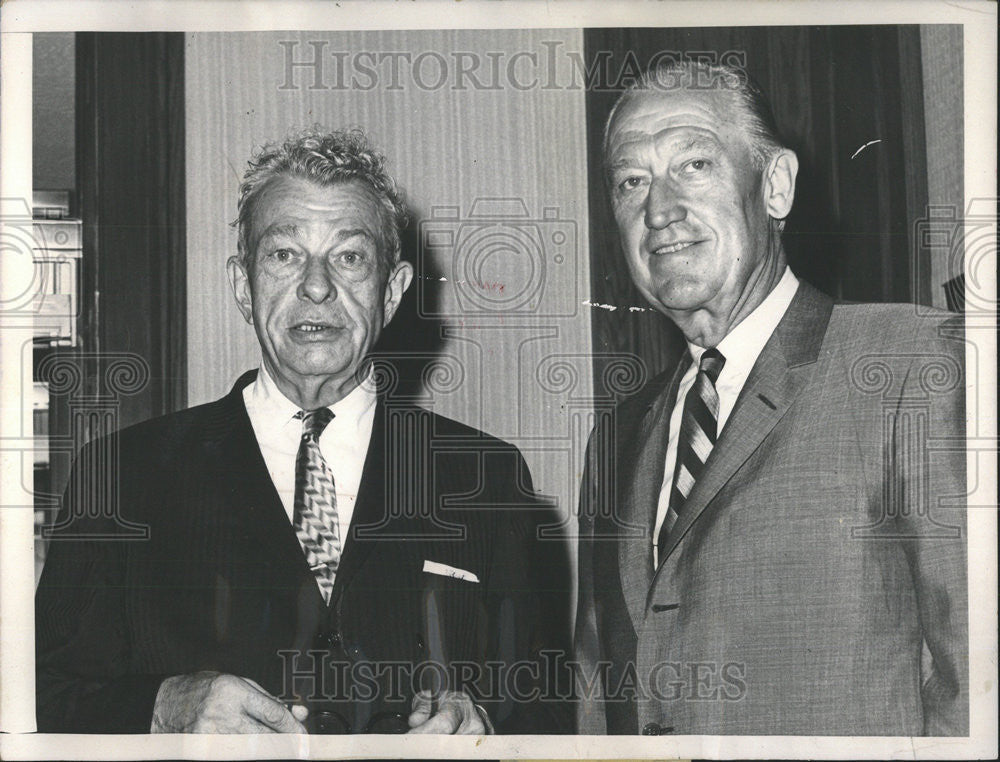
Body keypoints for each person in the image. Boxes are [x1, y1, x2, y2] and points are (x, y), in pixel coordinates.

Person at [36, 128, 570, 735]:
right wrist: (161, 707)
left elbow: (550, 702)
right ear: (243, 285)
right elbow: (43, 697)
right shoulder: (121, 475)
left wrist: (487, 724)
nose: (317, 287)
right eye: (284, 254)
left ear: (391, 292)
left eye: (349, 257)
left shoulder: (488, 476)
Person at [574, 61, 967, 736]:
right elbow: (594, 697)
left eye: (694, 164)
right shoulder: (617, 436)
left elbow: (981, 687)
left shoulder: (913, 364)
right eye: (630, 180)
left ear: (776, 186)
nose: (659, 209)